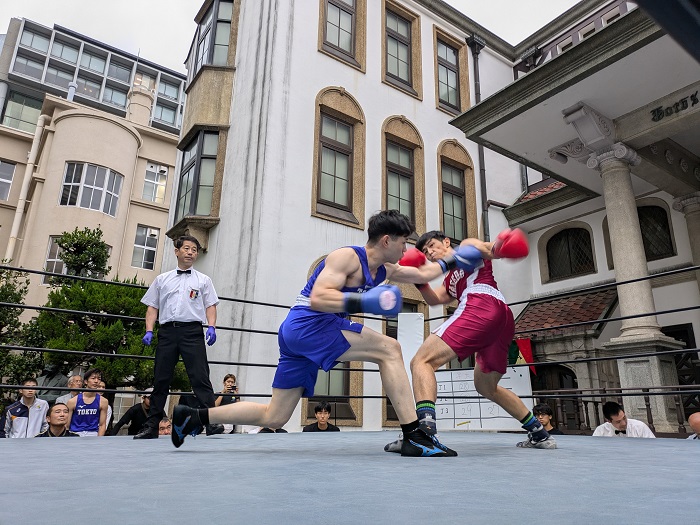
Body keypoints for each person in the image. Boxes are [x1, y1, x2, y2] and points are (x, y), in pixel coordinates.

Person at [171, 210, 481, 457]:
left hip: (300, 335)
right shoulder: (347, 257)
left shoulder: (386, 270)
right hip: (309, 323)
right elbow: (319, 297)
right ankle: (414, 435)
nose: (407, 249)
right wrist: (364, 301)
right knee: (390, 349)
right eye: (403, 242)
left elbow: (425, 272)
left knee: (275, 416)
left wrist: (458, 257)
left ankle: (194, 416)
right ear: (387, 240)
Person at [385, 228, 556, 452]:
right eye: (425, 252)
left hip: (481, 304)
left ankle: (423, 433)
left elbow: (490, 249)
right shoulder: (450, 279)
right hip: (500, 319)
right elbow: (435, 300)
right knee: (486, 386)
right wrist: (420, 281)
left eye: (432, 246)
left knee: (421, 361)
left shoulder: (466, 246)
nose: (430, 253)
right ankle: (538, 433)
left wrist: (503, 244)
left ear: (447, 242)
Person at [134, 235, 220, 439]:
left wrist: (212, 326)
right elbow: (152, 306)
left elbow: (211, 305)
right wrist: (149, 330)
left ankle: (212, 422)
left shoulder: (203, 280)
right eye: (187, 248)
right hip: (167, 332)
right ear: (177, 251)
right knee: (161, 379)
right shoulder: (162, 279)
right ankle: (152, 426)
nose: (190, 252)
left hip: (192, 332)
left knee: (200, 377)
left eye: (194, 250)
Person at [66, 368, 109, 437]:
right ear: (86, 381)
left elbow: (102, 425)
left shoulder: (103, 401)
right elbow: (66, 425)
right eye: (93, 378)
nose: (96, 381)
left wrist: (99, 440)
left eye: (99, 379)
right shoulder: (73, 401)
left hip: (93, 434)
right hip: (75, 433)